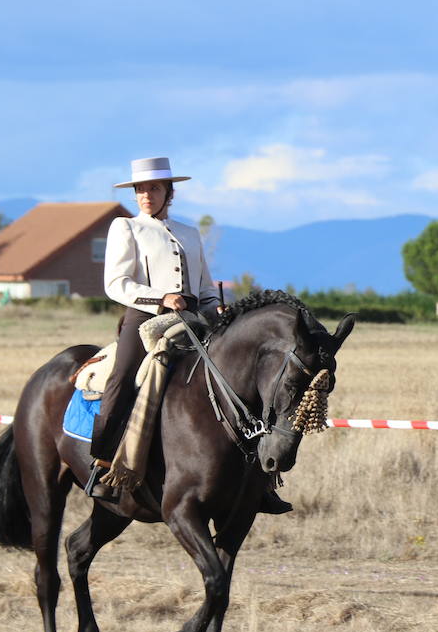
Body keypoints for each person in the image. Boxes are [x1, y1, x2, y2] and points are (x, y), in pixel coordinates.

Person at [88, 156, 292, 514]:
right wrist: (161, 297)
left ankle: (255, 481)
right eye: (140, 189)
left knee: (237, 378)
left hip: (195, 319)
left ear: (169, 191)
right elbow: (115, 284)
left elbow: (204, 287)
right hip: (145, 318)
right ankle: (103, 466)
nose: (146, 195)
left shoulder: (189, 233)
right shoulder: (126, 228)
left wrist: (219, 308)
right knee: (122, 378)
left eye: (153, 188)